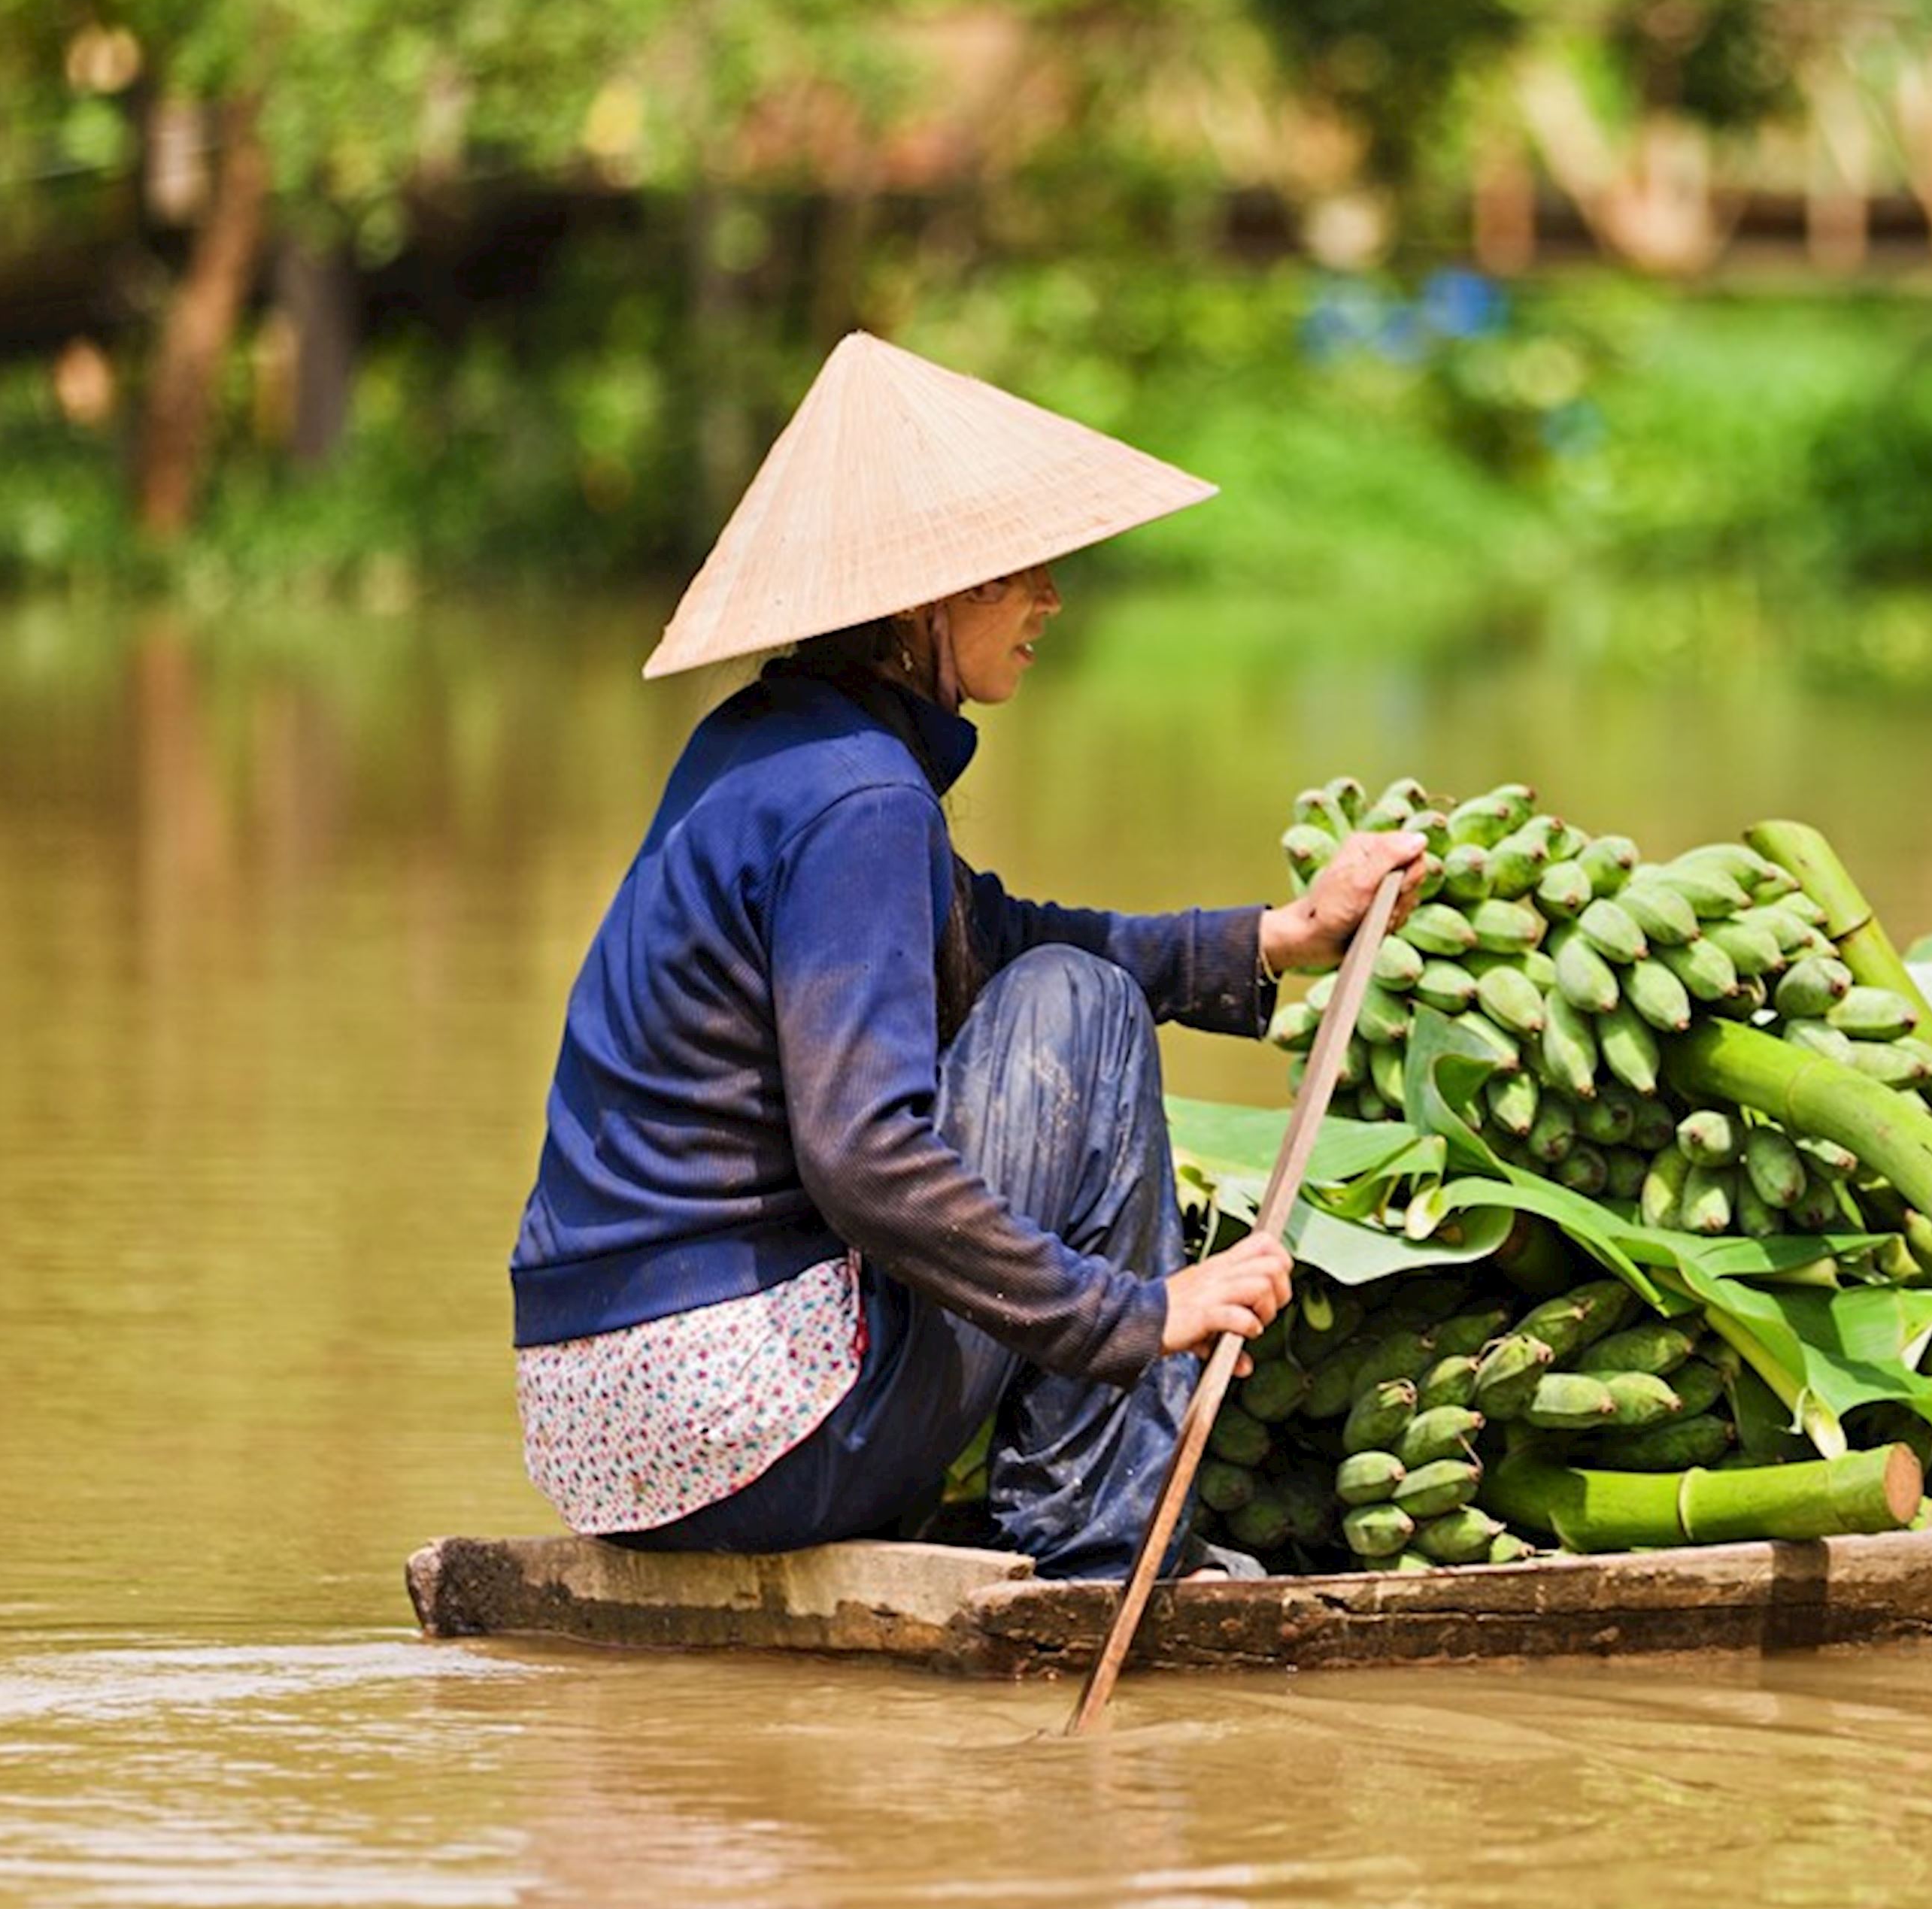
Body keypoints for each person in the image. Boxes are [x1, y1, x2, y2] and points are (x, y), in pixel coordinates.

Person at [505, 332, 1422, 1577]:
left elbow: (984, 936)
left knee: (1057, 980)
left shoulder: (765, 749)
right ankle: (1096, 1542)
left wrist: (1281, 939)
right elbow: (865, 1157)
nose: (1049, 598)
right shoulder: (861, 803)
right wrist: (1138, 1318)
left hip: (595, 1429)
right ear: (923, 599)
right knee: (1081, 1008)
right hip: (737, 1425)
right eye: (1017, 572)